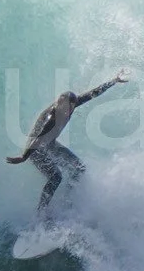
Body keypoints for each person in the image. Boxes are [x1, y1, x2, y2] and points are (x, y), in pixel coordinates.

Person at [7, 70, 130, 217]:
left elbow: (94, 93)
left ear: (73, 105)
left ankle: (67, 202)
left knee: (79, 168)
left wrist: (114, 80)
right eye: (62, 107)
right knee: (56, 177)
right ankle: (41, 212)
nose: (65, 111)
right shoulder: (51, 116)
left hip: (50, 144)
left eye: (68, 108)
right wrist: (24, 156)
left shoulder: (73, 103)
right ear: (58, 104)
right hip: (35, 149)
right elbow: (38, 138)